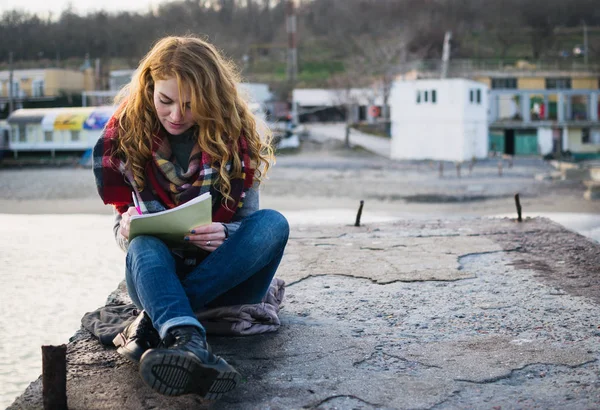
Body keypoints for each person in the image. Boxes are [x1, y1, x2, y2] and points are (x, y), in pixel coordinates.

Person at [92, 36, 289, 400]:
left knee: (274, 224)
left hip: (226, 278)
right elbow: (123, 230)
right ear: (149, 87)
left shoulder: (239, 136)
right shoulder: (123, 138)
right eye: (165, 101)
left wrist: (225, 233)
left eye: (189, 104)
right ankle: (191, 341)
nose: (176, 115)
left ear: (211, 98)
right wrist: (127, 228)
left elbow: (250, 224)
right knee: (144, 242)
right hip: (157, 276)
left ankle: (162, 322)